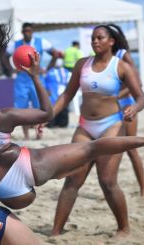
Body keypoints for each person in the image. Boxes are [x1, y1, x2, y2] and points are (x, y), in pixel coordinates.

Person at [0, 9, 144, 212]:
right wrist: (35, 76)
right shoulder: (5, 116)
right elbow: (47, 113)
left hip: (10, 195)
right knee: (92, 149)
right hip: (30, 165)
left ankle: (57, 228)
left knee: (83, 165)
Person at [50, 25, 144, 237]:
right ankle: (55, 231)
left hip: (112, 125)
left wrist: (135, 108)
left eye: (100, 38)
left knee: (107, 181)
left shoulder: (120, 66)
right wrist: (49, 115)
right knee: (72, 180)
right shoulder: (82, 64)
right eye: (93, 38)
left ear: (111, 41)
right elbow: (67, 95)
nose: (95, 41)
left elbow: (141, 96)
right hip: (85, 126)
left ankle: (124, 228)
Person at [4, 22, 57, 140]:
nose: (27, 33)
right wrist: (11, 69)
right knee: (22, 109)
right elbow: (4, 55)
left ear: (32, 32)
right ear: (22, 32)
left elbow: (55, 54)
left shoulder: (41, 42)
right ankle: (26, 136)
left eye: (29, 31)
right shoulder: (16, 44)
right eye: (25, 31)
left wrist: (46, 69)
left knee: (41, 107)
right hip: (21, 80)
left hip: (37, 77)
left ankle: (39, 134)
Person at [109, 24, 144, 197]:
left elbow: (137, 84)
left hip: (127, 105)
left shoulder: (123, 55)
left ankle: (143, 188)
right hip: (113, 108)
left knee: (131, 150)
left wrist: (115, 95)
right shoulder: (106, 57)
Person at [44, 58, 71, 128]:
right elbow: (45, 82)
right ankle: (53, 123)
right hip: (53, 95)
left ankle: (61, 124)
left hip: (62, 95)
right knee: (54, 109)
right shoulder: (50, 72)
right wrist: (47, 90)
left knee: (62, 110)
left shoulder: (66, 72)